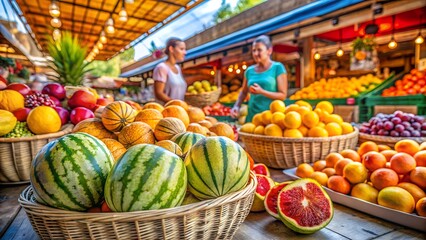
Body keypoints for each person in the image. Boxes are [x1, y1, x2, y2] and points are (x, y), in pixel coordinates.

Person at [231, 35, 288, 122]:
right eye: (254, 50)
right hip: (252, 117)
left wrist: (262, 91)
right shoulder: (249, 71)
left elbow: (282, 95)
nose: (255, 54)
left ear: (269, 51)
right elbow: (244, 92)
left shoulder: (278, 68)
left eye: (259, 50)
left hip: (272, 118)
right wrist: (237, 106)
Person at [153, 37, 187, 104]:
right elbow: (159, 93)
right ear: (171, 49)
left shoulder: (177, 68)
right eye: (181, 49)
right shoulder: (161, 67)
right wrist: (177, 104)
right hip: (167, 111)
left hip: (179, 111)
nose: (185, 52)